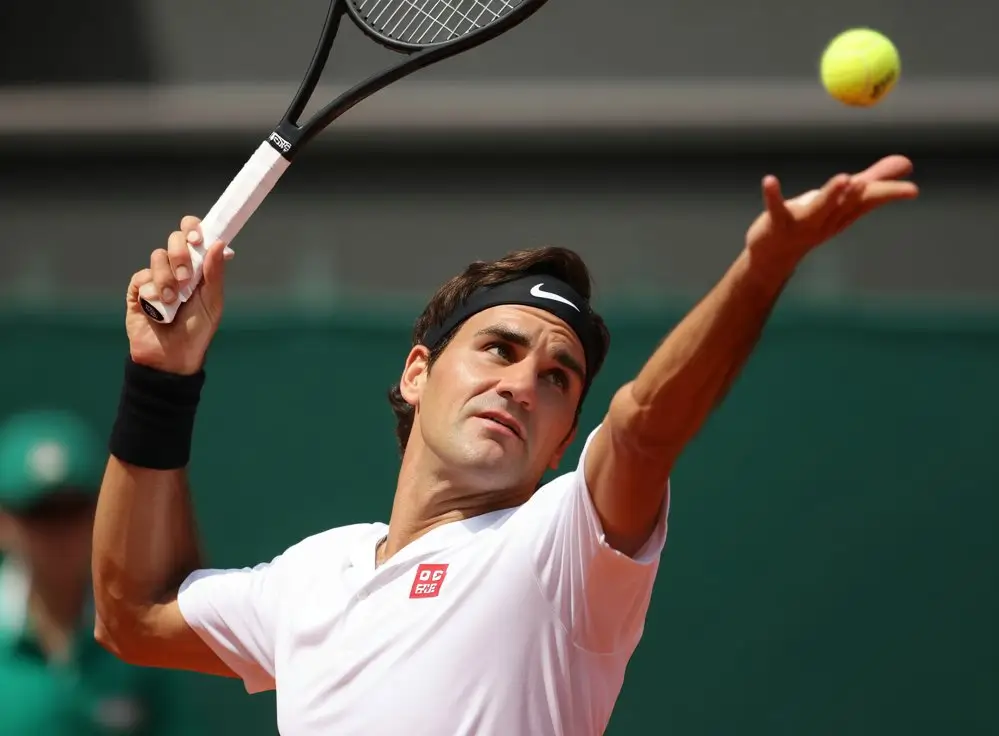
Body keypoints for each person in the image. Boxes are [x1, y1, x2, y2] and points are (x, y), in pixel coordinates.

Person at [90, 155, 919, 735]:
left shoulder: (558, 552)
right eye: (501, 349)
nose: (525, 383)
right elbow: (130, 617)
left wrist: (762, 269)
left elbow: (642, 429)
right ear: (418, 373)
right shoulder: (314, 575)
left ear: (561, 443)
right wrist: (161, 378)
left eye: (559, 378)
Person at [0, 409, 186, 735]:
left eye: (73, 510)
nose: (60, 534)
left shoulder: (146, 631)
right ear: (5, 523)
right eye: (41, 513)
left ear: (101, 514)